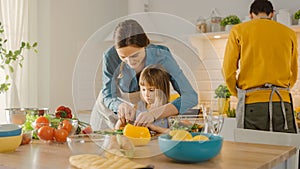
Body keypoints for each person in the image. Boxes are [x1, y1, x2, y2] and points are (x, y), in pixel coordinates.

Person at [90, 19, 198, 130]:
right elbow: (108, 95)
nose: (130, 62)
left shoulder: (162, 56)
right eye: (123, 57)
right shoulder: (110, 57)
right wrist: (119, 105)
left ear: (145, 44)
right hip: (108, 113)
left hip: (142, 114)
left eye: (135, 55)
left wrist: (154, 114)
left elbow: (190, 96)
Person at [222, 0, 298, 133]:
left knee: (253, 151)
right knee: (283, 150)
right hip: (282, 102)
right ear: (272, 14)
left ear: (251, 14)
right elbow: (294, 70)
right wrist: (283, 90)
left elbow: (228, 70)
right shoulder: (289, 33)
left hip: (252, 103)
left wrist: (239, 94)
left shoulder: (238, 31)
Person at [115, 64, 171, 134]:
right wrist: (122, 121)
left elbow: (175, 133)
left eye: (151, 90)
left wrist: (154, 128)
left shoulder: (169, 109)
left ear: (162, 89)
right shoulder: (139, 106)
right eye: (143, 89)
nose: (146, 94)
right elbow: (117, 128)